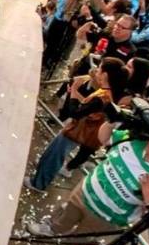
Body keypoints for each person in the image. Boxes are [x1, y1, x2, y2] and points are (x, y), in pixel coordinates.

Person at [28, 122, 149, 245]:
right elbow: (103, 138)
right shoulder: (134, 139)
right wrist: (111, 121)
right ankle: (51, 228)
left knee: (84, 235)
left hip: (105, 219)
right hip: (83, 192)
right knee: (65, 214)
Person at [25, 57, 128, 192]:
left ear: (105, 75)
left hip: (77, 131)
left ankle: (38, 184)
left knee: (54, 156)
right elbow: (88, 106)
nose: (96, 71)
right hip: (79, 129)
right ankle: (39, 176)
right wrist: (76, 95)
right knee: (52, 154)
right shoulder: (108, 93)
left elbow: (76, 113)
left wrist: (74, 89)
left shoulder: (102, 96)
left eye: (99, 69)